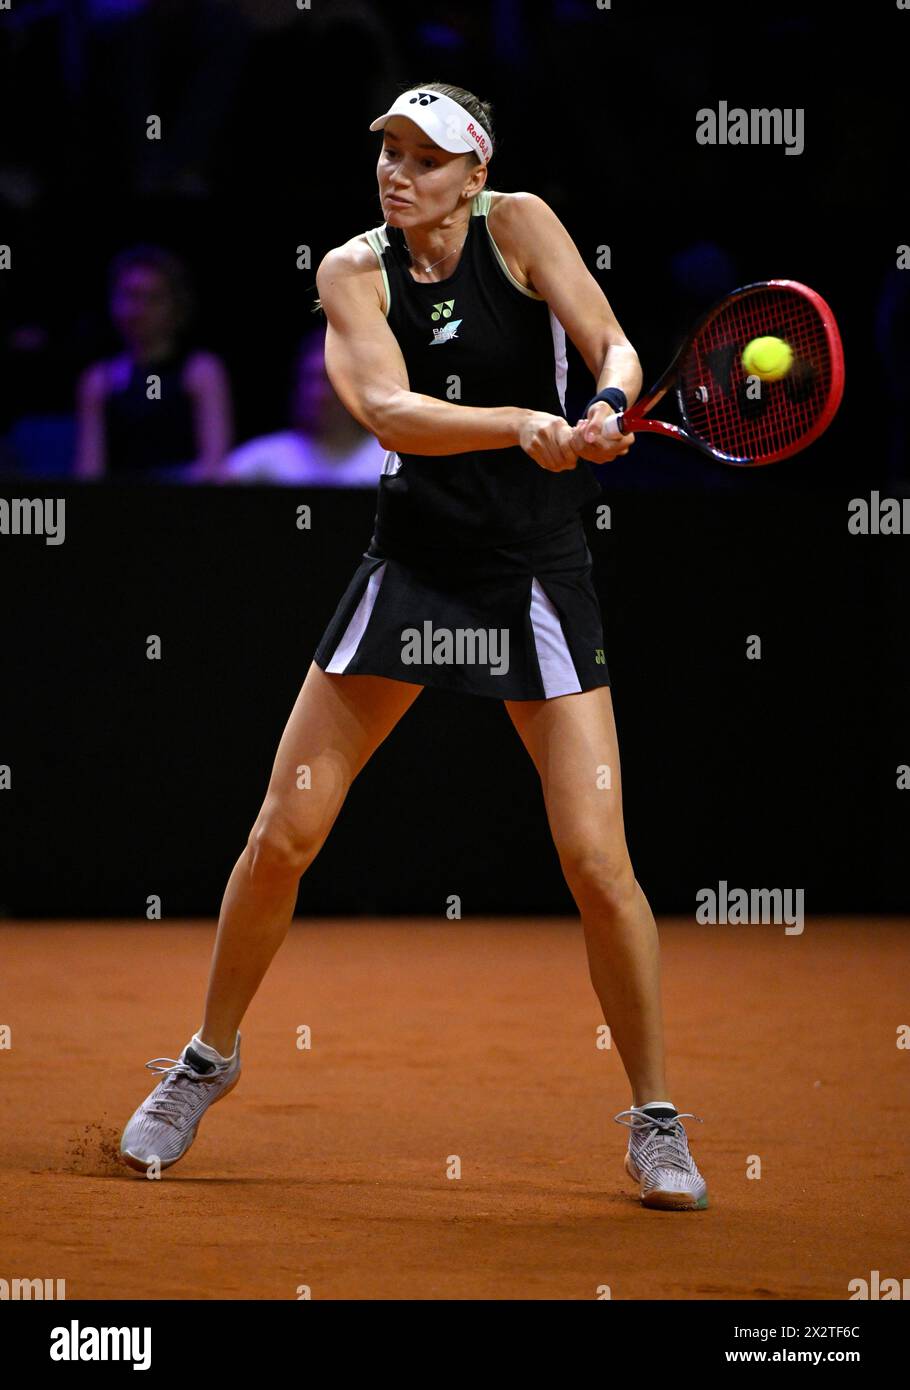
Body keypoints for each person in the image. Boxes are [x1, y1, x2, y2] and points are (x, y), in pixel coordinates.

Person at [120, 82, 708, 1212]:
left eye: (426, 157)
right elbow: (388, 412)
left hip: (535, 571)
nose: (398, 172)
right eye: (387, 150)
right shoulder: (349, 269)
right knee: (282, 833)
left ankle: (654, 1117)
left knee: (597, 860)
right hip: (414, 568)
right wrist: (523, 426)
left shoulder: (523, 222)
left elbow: (614, 342)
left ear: (474, 175)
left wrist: (607, 401)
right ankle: (207, 1058)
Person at [74, 245, 233, 480]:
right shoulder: (98, 380)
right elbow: (89, 470)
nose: (139, 310)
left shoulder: (201, 371)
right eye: (130, 296)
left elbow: (214, 464)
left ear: (176, 305)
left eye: (153, 299)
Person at [220, 329, 385, 486]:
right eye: (309, 379)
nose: (317, 393)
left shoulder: (387, 461)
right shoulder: (269, 457)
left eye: (328, 380)